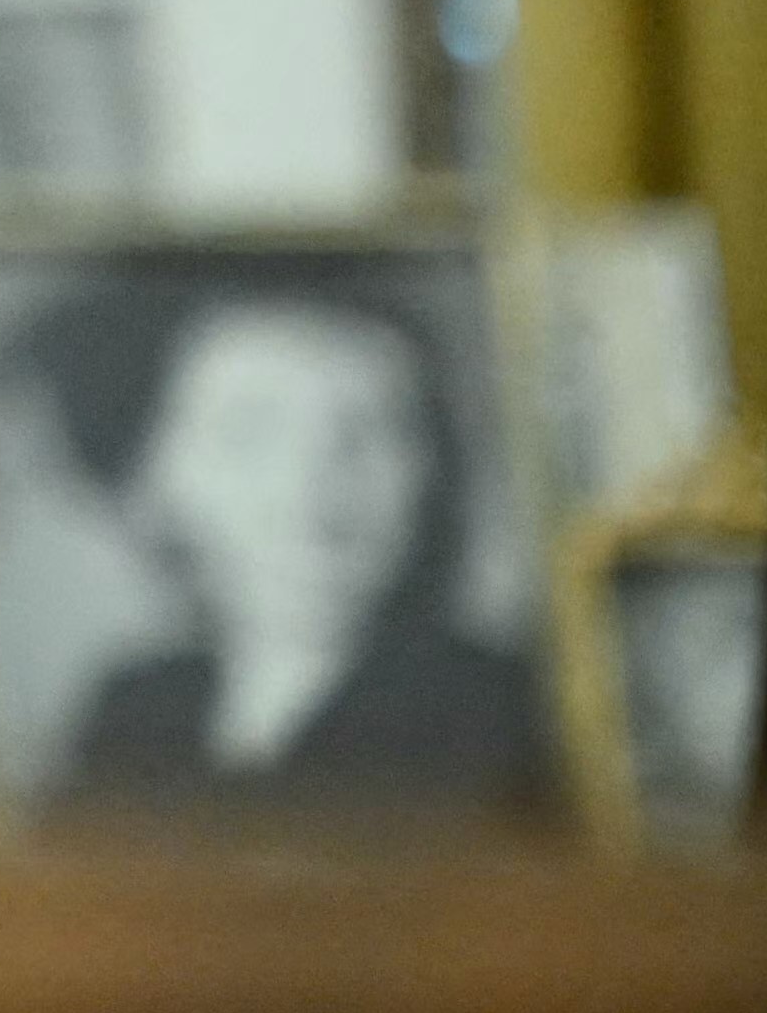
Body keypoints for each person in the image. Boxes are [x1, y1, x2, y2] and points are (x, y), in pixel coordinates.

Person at [30, 280, 545, 817]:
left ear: (433, 473)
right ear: (155, 478)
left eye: (367, 430)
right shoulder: (136, 708)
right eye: (248, 435)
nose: (309, 497)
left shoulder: (505, 713)